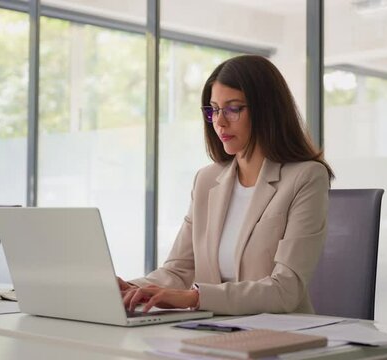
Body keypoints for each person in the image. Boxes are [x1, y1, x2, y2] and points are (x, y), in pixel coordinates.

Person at [119, 55, 334, 315]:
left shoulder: (306, 177)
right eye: (214, 110)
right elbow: (178, 270)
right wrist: (129, 288)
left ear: (266, 109)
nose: (219, 122)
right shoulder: (206, 181)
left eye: (233, 109)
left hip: (279, 336)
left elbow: (284, 290)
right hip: (211, 332)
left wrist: (195, 298)